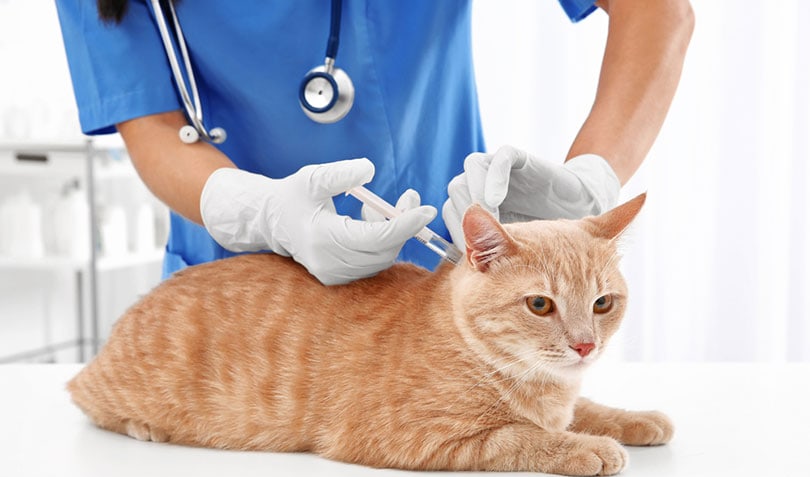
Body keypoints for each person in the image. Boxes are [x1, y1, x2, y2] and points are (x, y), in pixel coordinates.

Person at [55, 0, 693, 284]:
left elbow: (657, 9)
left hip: (444, 287)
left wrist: (590, 180)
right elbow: (154, 130)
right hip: (235, 303)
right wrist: (265, 213)